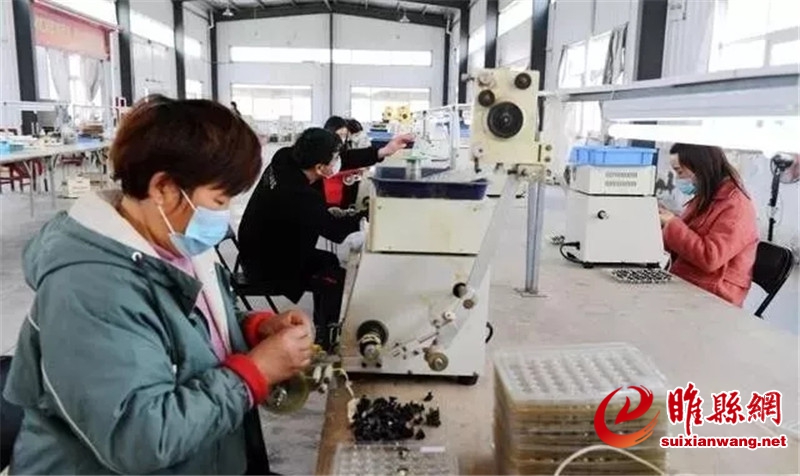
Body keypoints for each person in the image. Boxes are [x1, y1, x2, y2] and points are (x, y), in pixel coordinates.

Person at [2, 96, 314, 475]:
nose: (224, 215)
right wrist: (255, 374)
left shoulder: (176, 244)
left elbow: (198, 321)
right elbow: (140, 439)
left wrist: (254, 329)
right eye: (219, 199)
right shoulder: (89, 290)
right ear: (163, 187)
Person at [238, 128, 410, 350]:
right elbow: (336, 231)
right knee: (335, 279)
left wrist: (383, 151)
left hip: (260, 247)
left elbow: (341, 160)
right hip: (268, 264)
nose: (339, 161)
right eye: (334, 158)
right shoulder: (298, 196)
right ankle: (327, 341)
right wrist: (373, 215)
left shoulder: (285, 158)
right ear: (320, 167)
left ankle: (322, 324)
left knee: (328, 261)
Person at [659, 143, 759, 307]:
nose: (678, 179)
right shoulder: (707, 196)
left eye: (680, 172)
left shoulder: (736, 206)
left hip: (715, 296)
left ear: (700, 166)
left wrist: (672, 224)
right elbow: (686, 238)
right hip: (689, 281)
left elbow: (710, 258)